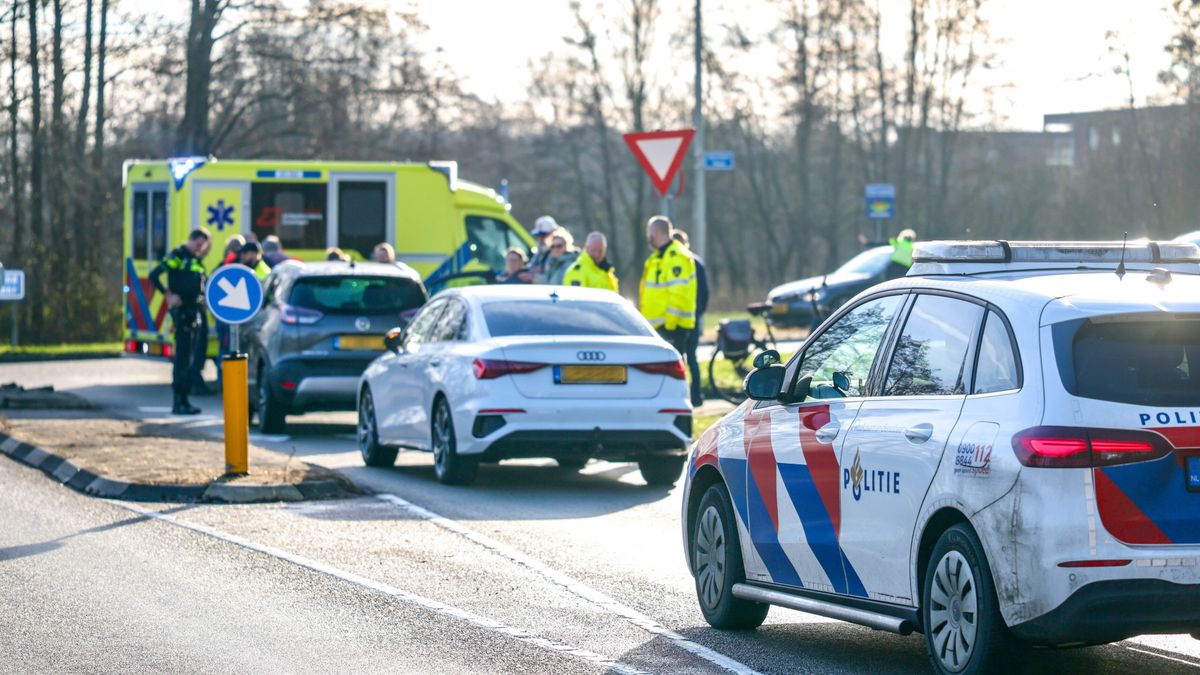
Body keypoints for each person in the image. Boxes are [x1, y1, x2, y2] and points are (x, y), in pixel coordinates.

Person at [149, 227, 211, 415]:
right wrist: (168, 295)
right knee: (182, 358)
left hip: (195, 310)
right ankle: (179, 402)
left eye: (203, 245)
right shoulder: (178, 255)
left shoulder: (196, 259)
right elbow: (154, 275)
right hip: (183, 311)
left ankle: (184, 401)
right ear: (191, 239)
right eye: (198, 244)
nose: (200, 248)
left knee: (189, 358)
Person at [639, 215, 697, 361]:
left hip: (671, 328)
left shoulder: (676, 257)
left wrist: (670, 326)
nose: (648, 236)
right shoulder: (657, 258)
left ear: (656, 232)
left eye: (649, 232)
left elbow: (678, 294)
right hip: (659, 328)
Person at [672, 229, 708, 406]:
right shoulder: (697, 263)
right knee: (692, 358)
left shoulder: (681, 263)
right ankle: (696, 396)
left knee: (683, 358)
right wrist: (699, 312)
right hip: (693, 318)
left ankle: (686, 395)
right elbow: (705, 294)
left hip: (681, 320)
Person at [524, 215, 559, 282]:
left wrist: (534, 278)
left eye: (543, 236)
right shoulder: (539, 253)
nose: (540, 239)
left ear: (554, 233)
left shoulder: (558, 254)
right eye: (539, 236)